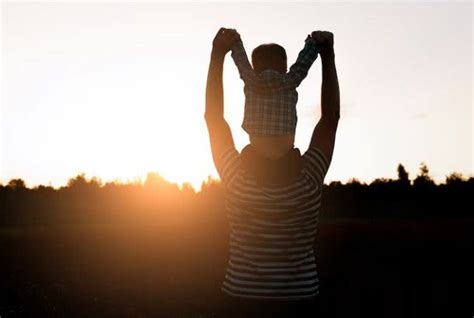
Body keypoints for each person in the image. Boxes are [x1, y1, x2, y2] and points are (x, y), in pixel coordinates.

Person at [205, 28, 340, 317]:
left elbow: (213, 118)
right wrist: (327, 56)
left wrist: (217, 56)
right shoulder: (309, 177)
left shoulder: (235, 177)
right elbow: (330, 119)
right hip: (300, 301)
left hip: (240, 299)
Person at [230, 33, 319, 159]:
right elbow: (303, 63)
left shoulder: (251, 81)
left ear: (255, 68)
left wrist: (234, 40)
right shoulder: (290, 80)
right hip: (285, 155)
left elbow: (241, 60)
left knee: (246, 156)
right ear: (284, 67)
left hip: (256, 155)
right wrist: (313, 42)